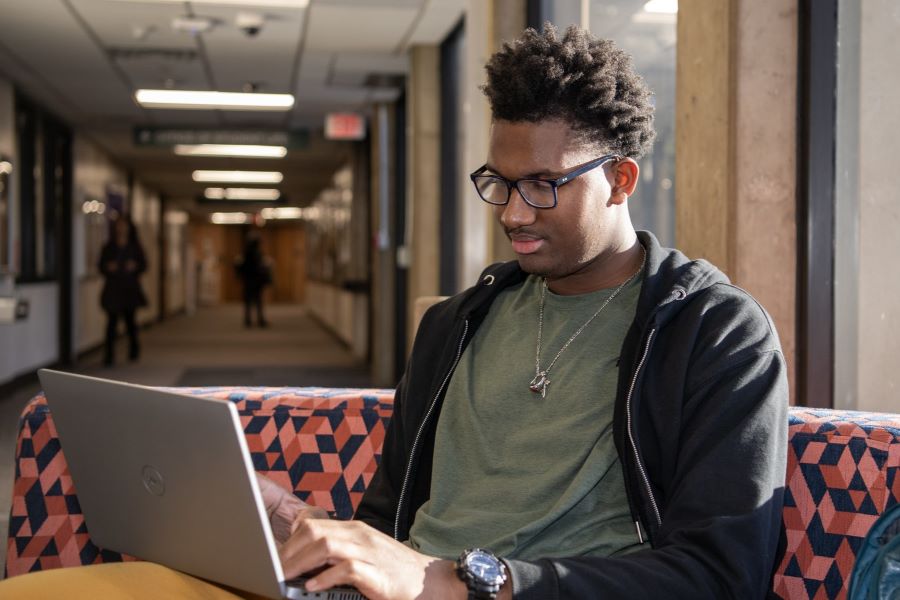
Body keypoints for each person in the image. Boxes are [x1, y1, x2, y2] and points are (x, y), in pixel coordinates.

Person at [1, 24, 788, 600]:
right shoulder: (458, 324)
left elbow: (723, 574)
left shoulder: (713, 331)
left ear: (620, 180)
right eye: (499, 182)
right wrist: (293, 521)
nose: (513, 213)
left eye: (543, 186)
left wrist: (467, 581)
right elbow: (391, 523)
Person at [99, 214, 147, 366]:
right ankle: (109, 355)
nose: (121, 228)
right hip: (114, 289)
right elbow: (101, 266)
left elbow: (144, 265)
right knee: (111, 323)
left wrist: (135, 266)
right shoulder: (109, 247)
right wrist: (108, 267)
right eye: (119, 225)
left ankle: (134, 349)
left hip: (129, 289)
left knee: (130, 321)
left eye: (124, 225)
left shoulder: (135, 246)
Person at [236, 232, 270, 328]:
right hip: (255, 279)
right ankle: (259, 320)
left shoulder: (246, 252)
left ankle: (248, 320)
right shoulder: (256, 253)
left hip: (249, 279)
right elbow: (260, 266)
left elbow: (241, 266)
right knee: (257, 300)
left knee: (249, 301)